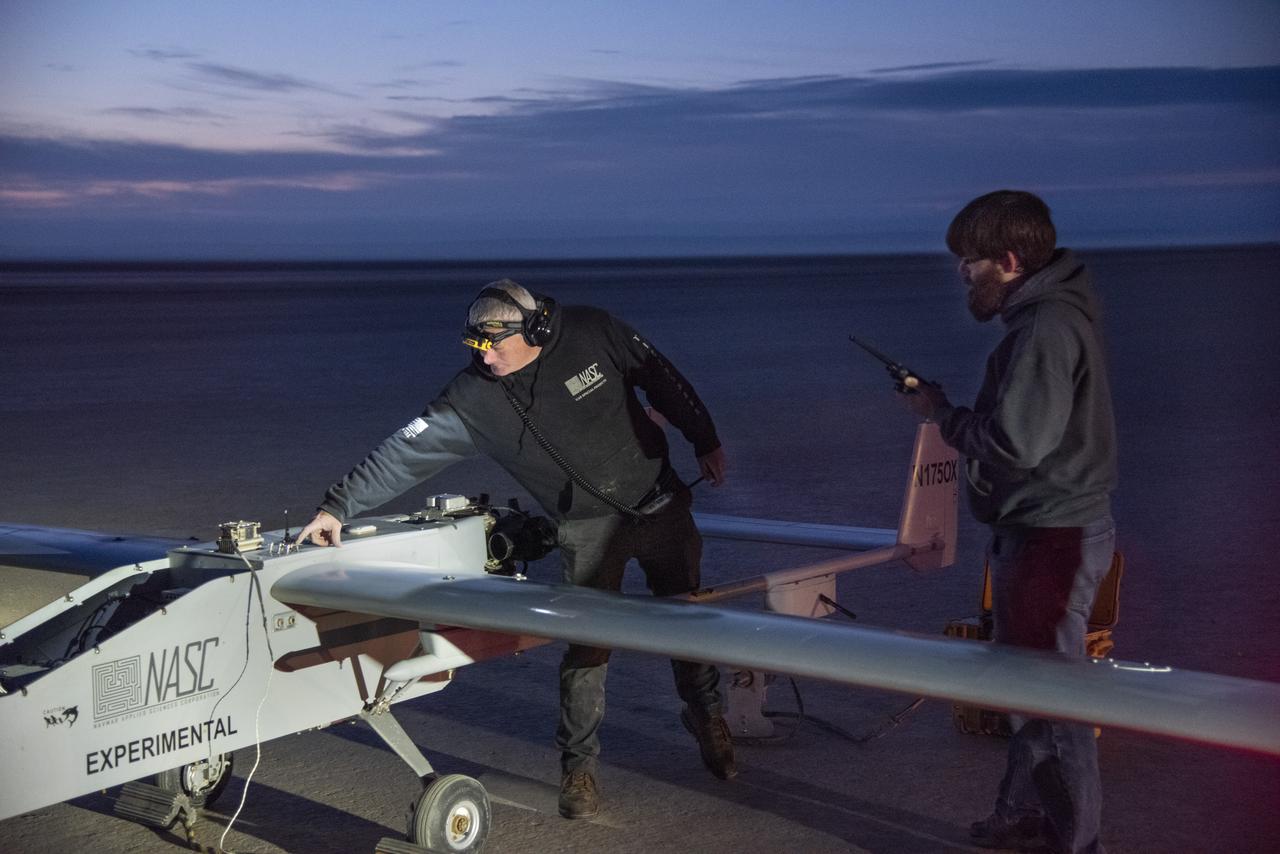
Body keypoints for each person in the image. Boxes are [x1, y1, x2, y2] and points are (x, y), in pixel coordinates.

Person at [294, 279, 735, 821]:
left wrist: (705, 438)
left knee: (687, 619)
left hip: (661, 502)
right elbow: (401, 453)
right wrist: (337, 506)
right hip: (586, 527)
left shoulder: (594, 331)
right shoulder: (471, 398)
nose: (487, 357)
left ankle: (707, 714)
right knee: (588, 647)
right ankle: (579, 768)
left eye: (496, 345)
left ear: (536, 329)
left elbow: (663, 379)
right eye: (476, 347)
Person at [900, 191, 1117, 854]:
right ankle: (1024, 811)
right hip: (1045, 531)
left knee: (1054, 703)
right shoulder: (1046, 320)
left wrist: (945, 417)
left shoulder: (1045, 330)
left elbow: (1020, 443)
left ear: (1010, 260)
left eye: (970, 261)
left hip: (1054, 536)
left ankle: (1081, 844)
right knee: (1027, 689)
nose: (962, 273)